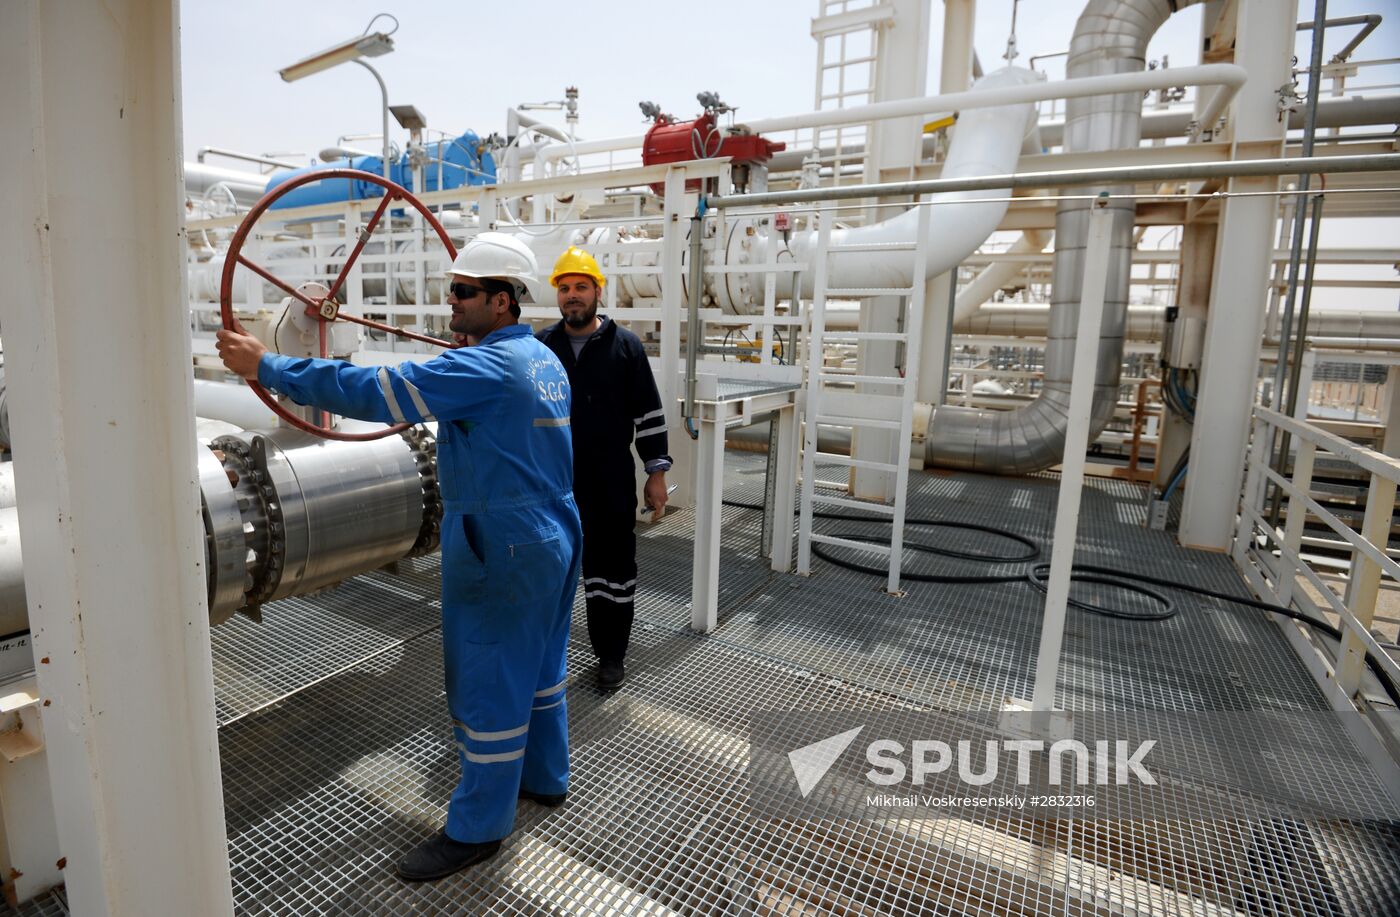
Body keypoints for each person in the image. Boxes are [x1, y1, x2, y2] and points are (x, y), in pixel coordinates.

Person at [216, 232, 582, 882]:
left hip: (505, 541)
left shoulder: (486, 369)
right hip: (555, 526)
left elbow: (381, 390)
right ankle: (547, 778)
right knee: (542, 666)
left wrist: (264, 366)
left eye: (464, 292)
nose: (452, 302)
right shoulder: (542, 360)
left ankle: (477, 828)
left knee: (488, 680)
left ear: (502, 301)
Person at [537, 246, 671, 691]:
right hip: (552, 482)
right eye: (565, 288)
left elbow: (648, 414)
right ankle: (542, 656)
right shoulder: (541, 347)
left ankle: (611, 656)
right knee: (548, 572)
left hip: (610, 483)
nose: (572, 296)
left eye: (580, 287)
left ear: (598, 291)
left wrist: (655, 473)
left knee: (610, 574)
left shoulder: (625, 347)